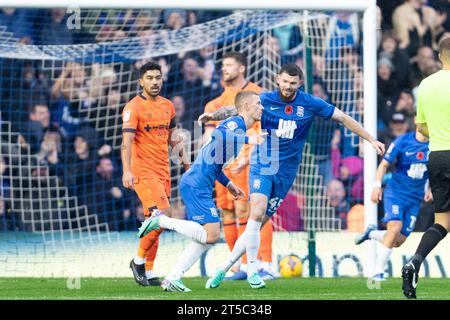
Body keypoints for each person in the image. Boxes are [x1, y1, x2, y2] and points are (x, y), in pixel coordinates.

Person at [199, 63, 385, 289]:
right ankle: (253, 271)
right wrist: (211, 116)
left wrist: (370, 139)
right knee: (256, 212)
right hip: (264, 163)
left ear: (300, 84)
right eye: (285, 81)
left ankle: (224, 268)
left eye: (293, 83)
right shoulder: (263, 100)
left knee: (256, 225)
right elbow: (233, 110)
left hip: (287, 172)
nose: (287, 86)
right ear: (278, 79)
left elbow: (344, 118)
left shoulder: (310, 103)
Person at [138, 91, 266, 292]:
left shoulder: (239, 129)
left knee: (206, 237)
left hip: (200, 182)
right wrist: (250, 140)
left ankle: (173, 278)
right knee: (211, 235)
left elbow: (214, 164)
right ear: (247, 107)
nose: (262, 107)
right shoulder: (237, 125)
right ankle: (160, 221)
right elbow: (217, 133)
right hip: (196, 183)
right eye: (258, 104)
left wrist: (229, 184)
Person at [202, 51, 275, 280]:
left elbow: (264, 130)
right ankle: (239, 266)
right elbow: (208, 136)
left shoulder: (258, 95)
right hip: (223, 165)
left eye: (229, 65)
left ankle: (265, 263)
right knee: (227, 213)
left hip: (251, 161)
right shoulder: (215, 103)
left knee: (253, 210)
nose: (224, 69)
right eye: (222, 65)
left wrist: (247, 156)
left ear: (241, 68)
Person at [121, 61, 189, 287]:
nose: (154, 82)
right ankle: (138, 261)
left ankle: (148, 272)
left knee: (154, 221)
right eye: (149, 78)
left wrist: (186, 162)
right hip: (143, 170)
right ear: (141, 81)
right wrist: (127, 171)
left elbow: (173, 137)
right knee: (163, 214)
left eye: (157, 77)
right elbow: (127, 142)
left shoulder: (168, 106)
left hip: (163, 170)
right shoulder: (133, 107)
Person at [402, 38, 450, 299]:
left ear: (440, 56)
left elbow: (421, 127)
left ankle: (414, 262)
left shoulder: (426, 85)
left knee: (442, 222)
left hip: (438, 156)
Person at [355, 124, 431, 281]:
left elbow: (435, 170)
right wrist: (377, 186)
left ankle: (371, 233)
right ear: (417, 121)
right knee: (395, 227)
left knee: (398, 241)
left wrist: (431, 188)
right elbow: (384, 164)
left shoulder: (435, 145)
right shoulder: (403, 141)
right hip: (396, 193)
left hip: (415, 199)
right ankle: (378, 272)